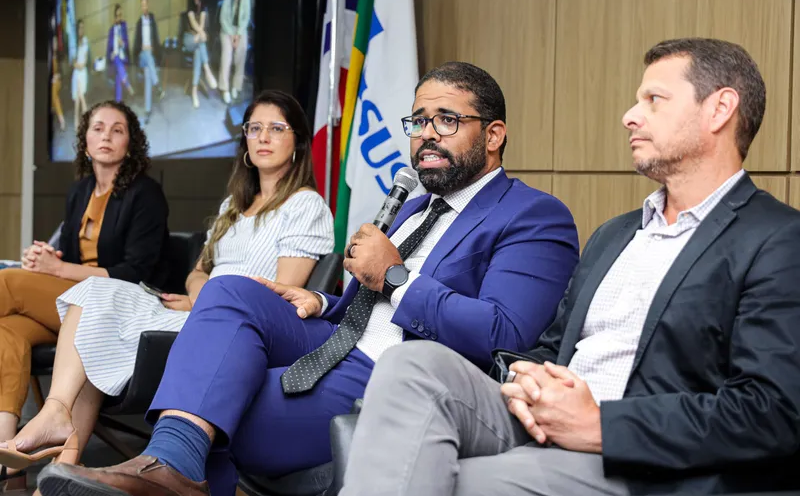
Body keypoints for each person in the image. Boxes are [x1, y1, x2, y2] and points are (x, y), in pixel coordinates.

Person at [36, 62, 581, 496]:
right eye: (418, 121)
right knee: (229, 289)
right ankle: (168, 466)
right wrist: (321, 300)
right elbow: (371, 299)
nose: (426, 135)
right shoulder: (416, 205)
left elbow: (503, 334)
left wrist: (393, 275)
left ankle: (170, 472)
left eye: (446, 120)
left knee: (224, 401)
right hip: (334, 336)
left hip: (398, 371)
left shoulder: (534, 215)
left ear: (494, 134)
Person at [334, 38, 800, 496]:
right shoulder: (616, 235)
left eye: (653, 100)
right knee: (410, 363)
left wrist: (601, 425)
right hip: (542, 416)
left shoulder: (776, 240)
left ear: (719, 110)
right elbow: (551, 347)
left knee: (450, 482)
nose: (630, 115)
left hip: (637, 458)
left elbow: (772, 412)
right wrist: (525, 378)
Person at [0, 90, 333, 474]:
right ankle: (61, 465)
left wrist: (210, 303)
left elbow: (277, 297)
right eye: (254, 128)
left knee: (81, 296)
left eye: (276, 128)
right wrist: (201, 296)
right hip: (202, 308)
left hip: (234, 326)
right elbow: (198, 271)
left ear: (298, 142)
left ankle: (55, 422)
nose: (263, 137)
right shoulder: (234, 205)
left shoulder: (305, 204)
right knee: (91, 315)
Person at [0, 100, 168, 491]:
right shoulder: (80, 191)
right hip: (75, 300)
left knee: (7, 283)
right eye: (97, 128)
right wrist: (48, 259)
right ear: (85, 140)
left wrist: (58, 271)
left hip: (121, 304)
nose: (106, 136)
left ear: (131, 142)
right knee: (9, 329)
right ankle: (8, 452)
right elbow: (70, 258)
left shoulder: (146, 194)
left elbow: (135, 272)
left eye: (117, 129)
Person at [184, 0, 218, 109]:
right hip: (189, 38)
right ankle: (207, 70)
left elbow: (202, 22)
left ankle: (194, 92)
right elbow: (193, 23)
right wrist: (201, 34)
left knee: (199, 52)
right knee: (200, 43)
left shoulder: (203, 5)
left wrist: (200, 34)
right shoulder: (189, 4)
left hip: (198, 39)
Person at [134, 0, 166, 125]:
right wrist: (143, 48)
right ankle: (157, 85)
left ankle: (147, 111)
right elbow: (136, 45)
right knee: (146, 55)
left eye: (145, 5)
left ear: (148, 5)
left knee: (148, 73)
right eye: (142, 5)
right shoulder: (139, 23)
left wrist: (153, 48)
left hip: (150, 57)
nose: (144, 7)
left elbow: (156, 39)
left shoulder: (152, 20)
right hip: (142, 56)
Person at [218, 0, 251, 105]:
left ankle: (236, 86)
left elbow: (246, 18)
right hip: (227, 29)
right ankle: (225, 88)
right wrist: (231, 34)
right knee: (226, 56)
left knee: (241, 54)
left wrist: (238, 35)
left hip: (240, 30)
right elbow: (223, 18)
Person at [106, 4, 134, 102]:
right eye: (117, 16)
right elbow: (108, 49)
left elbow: (127, 45)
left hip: (123, 58)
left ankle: (118, 102)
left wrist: (122, 43)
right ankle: (127, 84)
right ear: (114, 17)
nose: (119, 18)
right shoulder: (111, 31)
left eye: (120, 15)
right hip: (114, 60)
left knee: (118, 76)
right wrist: (111, 54)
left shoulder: (124, 27)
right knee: (116, 58)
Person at [71, 20, 90, 133]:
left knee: (80, 96)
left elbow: (86, 58)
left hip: (83, 72)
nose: (81, 30)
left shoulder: (86, 41)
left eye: (83, 27)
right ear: (77, 30)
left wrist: (82, 65)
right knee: (79, 97)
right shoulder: (74, 43)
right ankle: (81, 120)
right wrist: (78, 65)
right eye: (80, 28)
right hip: (77, 72)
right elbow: (73, 62)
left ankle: (81, 121)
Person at [51, 35, 65, 132]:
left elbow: (61, 72)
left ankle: (61, 118)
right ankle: (60, 118)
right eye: (53, 42)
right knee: (53, 95)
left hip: (57, 81)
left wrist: (57, 76)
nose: (54, 45)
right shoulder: (49, 56)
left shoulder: (59, 56)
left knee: (53, 93)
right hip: (51, 82)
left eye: (56, 42)